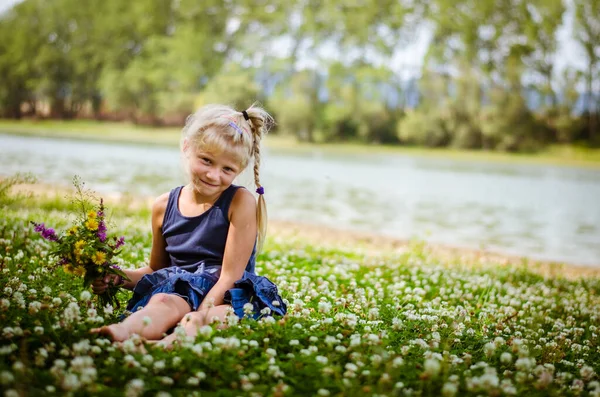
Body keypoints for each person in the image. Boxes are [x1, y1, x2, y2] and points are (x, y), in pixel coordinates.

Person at [91, 104, 286, 343]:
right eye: (206, 160)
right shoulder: (163, 206)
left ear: (240, 169)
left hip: (229, 297)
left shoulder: (240, 201)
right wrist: (117, 277)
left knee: (204, 320)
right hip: (179, 294)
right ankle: (122, 332)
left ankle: (167, 344)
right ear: (187, 147)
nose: (213, 175)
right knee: (162, 302)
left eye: (227, 169)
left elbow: (229, 278)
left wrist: (198, 313)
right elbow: (155, 271)